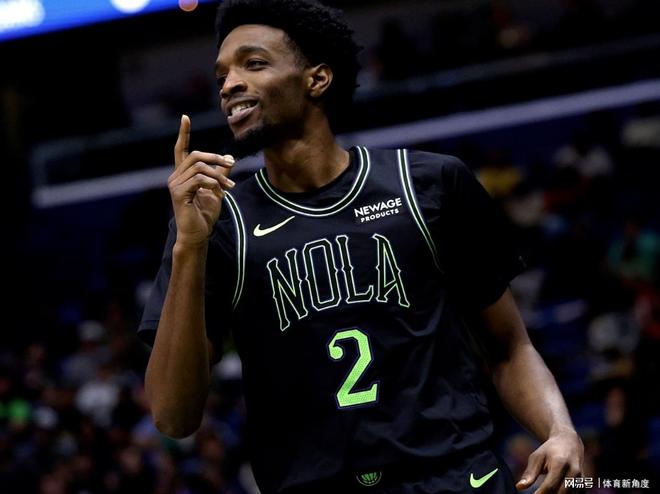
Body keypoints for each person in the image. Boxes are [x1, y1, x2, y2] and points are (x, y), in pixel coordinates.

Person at [138, 0, 584, 492]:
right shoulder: (216, 225)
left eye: (253, 64)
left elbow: (509, 348)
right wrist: (188, 247)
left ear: (317, 79)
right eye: (222, 75)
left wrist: (560, 431)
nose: (229, 85)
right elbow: (173, 418)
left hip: (453, 478)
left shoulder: (428, 185)